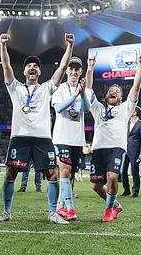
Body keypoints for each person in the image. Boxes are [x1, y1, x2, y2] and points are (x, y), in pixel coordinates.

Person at [0, 32, 74, 224]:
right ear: (24, 72)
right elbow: (6, 65)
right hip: (19, 137)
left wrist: (69, 46)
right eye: (29, 66)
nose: (32, 68)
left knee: (52, 174)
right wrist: (2, 46)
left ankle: (53, 213)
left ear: (39, 72)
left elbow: (62, 67)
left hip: (42, 138)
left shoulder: (47, 87)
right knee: (10, 173)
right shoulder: (15, 88)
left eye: (36, 66)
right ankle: (6, 212)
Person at [88, 53, 141, 221]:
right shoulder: (98, 109)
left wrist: (140, 66)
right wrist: (90, 68)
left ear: (121, 98)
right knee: (95, 185)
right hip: (98, 148)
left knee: (112, 177)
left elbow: (136, 88)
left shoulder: (126, 108)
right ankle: (115, 204)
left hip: (116, 148)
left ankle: (108, 210)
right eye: (111, 91)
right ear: (107, 97)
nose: (113, 91)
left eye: (117, 91)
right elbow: (88, 90)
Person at [51, 56, 92, 221]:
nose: (74, 72)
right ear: (67, 71)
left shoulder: (86, 90)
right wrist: (75, 94)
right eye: (71, 69)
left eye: (77, 69)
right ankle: (70, 208)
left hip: (77, 139)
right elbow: (59, 109)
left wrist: (82, 94)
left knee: (69, 175)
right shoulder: (60, 89)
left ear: (81, 71)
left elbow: (87, 109)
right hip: (62, 137)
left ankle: (60, 207)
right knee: (65, 172)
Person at [122, 106, 141, 197]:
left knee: (134, 171)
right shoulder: (127, 123)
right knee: (122, 171)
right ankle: (126, 190)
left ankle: (135, 191)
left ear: (135, 113)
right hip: (125, 150)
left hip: (135, 151)